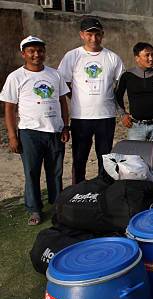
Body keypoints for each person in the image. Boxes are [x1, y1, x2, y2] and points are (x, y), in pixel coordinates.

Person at [1, 36, 70, 225]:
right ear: (24, 54)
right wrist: (12, 135)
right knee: (31, 172)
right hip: (29, 133)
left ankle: (57, 205)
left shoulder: (54, 75)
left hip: (54, 132)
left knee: (55, 171)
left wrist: (65, 126)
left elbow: (63, 102)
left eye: (40, 50)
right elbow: (9, 108)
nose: (36, 54)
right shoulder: (16, 77)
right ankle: (34, 209)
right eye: (31, 51)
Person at [58, 17, 124, 184]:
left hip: (106, 116)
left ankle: (103, 187)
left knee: (105, 156)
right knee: (79, 157)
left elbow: (120, 83)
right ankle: (78, 187)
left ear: (102, 35)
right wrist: (75, 96)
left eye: (97, 34)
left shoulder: (112, 58)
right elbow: (62, 82)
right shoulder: (72, 56)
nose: (93, 39)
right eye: (89, 34)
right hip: (81, 117)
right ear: (82, 35)